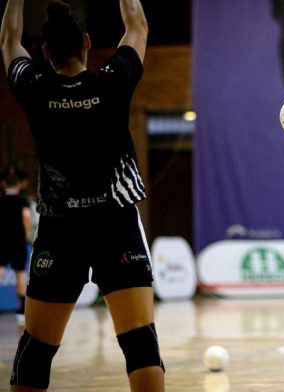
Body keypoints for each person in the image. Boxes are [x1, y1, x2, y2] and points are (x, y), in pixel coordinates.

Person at [1, 1, 164, 391]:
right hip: (116, 224)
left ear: (45, 52)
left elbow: (9, 39)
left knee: (36, 349)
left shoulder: (35, 88)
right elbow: (137, 25)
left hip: (61, 230)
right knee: (140, 343)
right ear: (87, 43)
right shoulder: (111, 80)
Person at [0, 166, 31, 326]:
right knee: (20, 273)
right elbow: (26, 216)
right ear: (17, 183)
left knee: (0, 268)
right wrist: (26, 235)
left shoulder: (1, 199)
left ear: (3, 183)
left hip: (2, 240)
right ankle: (20, 311)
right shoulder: (22, 199)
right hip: (18, 240)